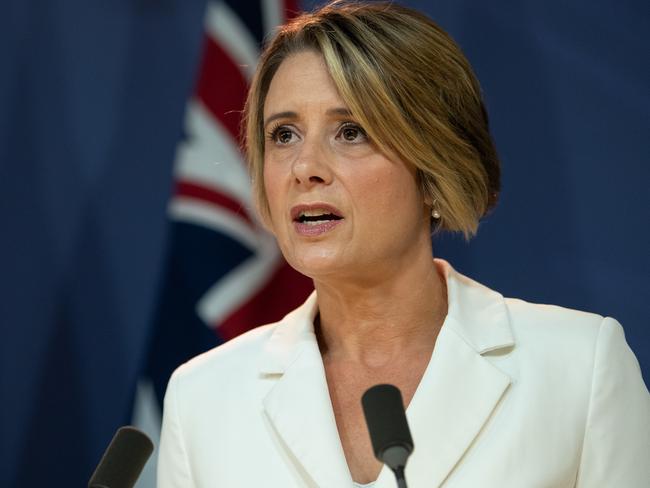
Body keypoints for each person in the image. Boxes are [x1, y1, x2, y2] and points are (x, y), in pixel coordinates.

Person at [157, 2, 649, 487]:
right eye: (283, 134)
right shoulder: (204, 395)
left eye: (350, 132)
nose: (304, 167)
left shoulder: (578, 369)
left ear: (433, 167)